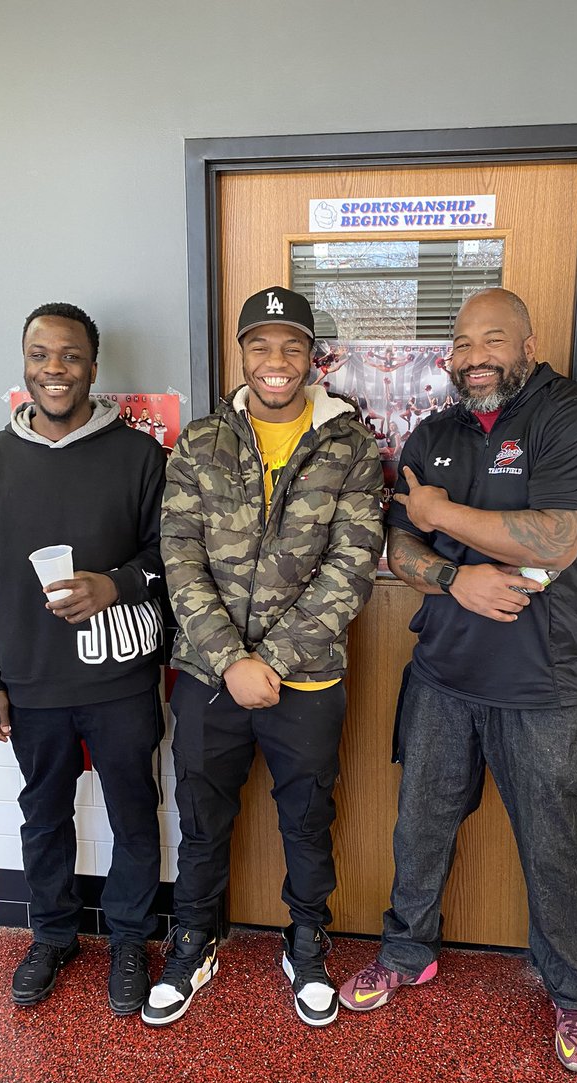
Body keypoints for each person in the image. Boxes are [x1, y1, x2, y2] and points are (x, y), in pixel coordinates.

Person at [339, 288, 577, 1076]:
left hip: (542, 684)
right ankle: (405, 954)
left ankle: (575, 996)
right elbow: (401, 547)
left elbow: (556, 540)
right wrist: (453, 579)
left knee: (557, 845)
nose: (473, 357)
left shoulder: (576, 418)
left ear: (528, 343)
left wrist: (443, 513)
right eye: (462, 343)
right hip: (443, 672)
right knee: (420, 827)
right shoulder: (435, 432)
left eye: (491, 339)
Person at [143, 286, 383, 1029]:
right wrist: (230, 661)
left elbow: (352, 566)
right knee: (200, 816)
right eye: (260, 345)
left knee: (307, 818)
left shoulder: (350, 444)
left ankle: (306, 940)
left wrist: (270, 661)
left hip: (306, 678)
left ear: (312, 358)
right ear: (241, 354)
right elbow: (179, 559)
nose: (275, 360)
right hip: (208, 676)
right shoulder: (201, 443)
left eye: (291, 346)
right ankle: (194, 939)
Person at [0, 302, 166, 1015]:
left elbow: (169, 556)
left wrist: (115, 585)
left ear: (93, 367)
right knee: (43, 812)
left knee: (133, 811)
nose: (55, 368)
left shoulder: (139, 456)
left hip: (121, 675)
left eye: (71, 355)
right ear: (25, 364)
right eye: (40, 354)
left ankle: (132, 938)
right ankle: (52, 934)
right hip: (31, 679)